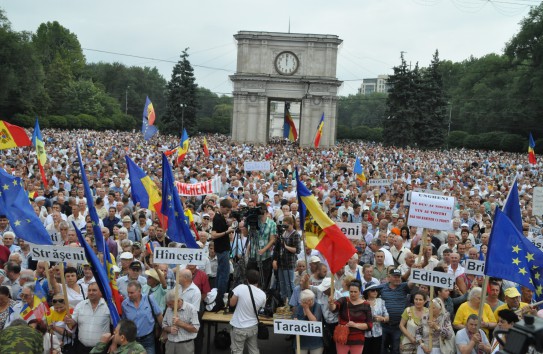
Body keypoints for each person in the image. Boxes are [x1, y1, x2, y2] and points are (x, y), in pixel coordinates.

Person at [328, 279, 373, 354]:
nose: (353, 294)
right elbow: (334, 309)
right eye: (351, 291)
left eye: (355, 292)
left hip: (358, 339)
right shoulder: (343, 300)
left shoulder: (366, 305)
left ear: (360, 292)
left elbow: (369, 325)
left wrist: (355, 325)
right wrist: (331, 304)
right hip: (342, 337)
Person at [65, 282, 111, 354]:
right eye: (89, 290)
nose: (91, 292)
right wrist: (69, 321)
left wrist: (114, 344)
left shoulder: (109, 306)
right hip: (82, 348)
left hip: (101, 349)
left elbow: (115, 327)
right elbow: (73, 322)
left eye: (94, 290)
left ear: (101, 293)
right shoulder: (80, 305)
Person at [229, 269, 266, 354]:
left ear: (247, 279)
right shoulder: (263, 294)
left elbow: (232, 304)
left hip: (239, 326)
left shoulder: (240, 287)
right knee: (254, 350)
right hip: (253, 326)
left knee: (237, 351)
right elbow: (261, 309)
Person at [121, 280, 163, 354]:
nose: (129, 295)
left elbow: (158, 315)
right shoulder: (124, 304)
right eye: (128, 292)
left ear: (139, 291)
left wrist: (164, 330)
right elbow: (124, 322)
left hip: (148, 339)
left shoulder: (149, 299)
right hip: (133, 340)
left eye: (132, 293)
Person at [381, 268, 414, 354]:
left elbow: (412, 282)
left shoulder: (403, 286)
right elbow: (368, 292)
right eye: (395, 277)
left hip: (398, 326)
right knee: (382, 349)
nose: (397, 278)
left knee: (396, 350)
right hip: (384, 325)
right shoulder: (382, 287)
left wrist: (414, 270)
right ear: (389, 277)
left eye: (398, 277)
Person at [247, 202, 277, 291]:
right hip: (253, 255)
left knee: (263, 279)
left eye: (261, 213)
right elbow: (248, 235)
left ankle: (262, 296)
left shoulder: (272, 224)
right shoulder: (253, 222)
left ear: (266, 212)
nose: (260, 215)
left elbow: (272, 239)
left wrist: (264, 249)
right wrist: (247, 222)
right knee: (251, 278)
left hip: (265, 256)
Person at [211, 198, 235, 307]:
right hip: (222, 249)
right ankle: (220, 300)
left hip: (223, 249)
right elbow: (214, 235)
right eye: (227, 209)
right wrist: (227, 231)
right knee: (223, 276)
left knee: (221, 274)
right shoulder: (217, 218)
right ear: (222, 207)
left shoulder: (221, 217)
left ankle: (217, 297)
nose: (228, 212)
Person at [162, 290, 200, 354]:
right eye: (167, 304)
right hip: (170, 344)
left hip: (185, 346)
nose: (169, 307)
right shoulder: (169, 308)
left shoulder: (191, 308)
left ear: (178, 301)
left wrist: (180, 323)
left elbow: (196, 329)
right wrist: (169, 329)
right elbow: (164, 324)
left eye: (170, 304)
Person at [272, 215, 301, 301]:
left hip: (289, 262)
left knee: (289, 283)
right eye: (284, 225)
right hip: (281, 261)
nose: (285, 227)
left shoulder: (295, 234)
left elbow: (297, 250)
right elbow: (277, 248)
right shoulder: (283, 233)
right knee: (282, 282)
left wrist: (286, 246)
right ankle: (283, 300)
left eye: (286, 225)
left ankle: (291, 302)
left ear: (292, 224)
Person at [295, 289, 324, 354]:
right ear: (303, 301)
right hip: (301, 342)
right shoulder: (299, 307)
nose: (311, 301)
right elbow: (294, 320)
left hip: (315, 342)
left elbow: (314, 322)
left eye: (312, 299)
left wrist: (306, 309)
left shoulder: (317, 306)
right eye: (308, 300)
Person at [362, 283, 388, 354]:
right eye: (373, 290)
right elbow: (361, 318)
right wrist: (373, 319)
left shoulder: (381, 301)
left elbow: (387, 316)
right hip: (365, 334)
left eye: (376, 290)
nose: (375, 292)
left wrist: (382, 319)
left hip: (378, 333)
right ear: (367, 292)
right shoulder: (362, 302)